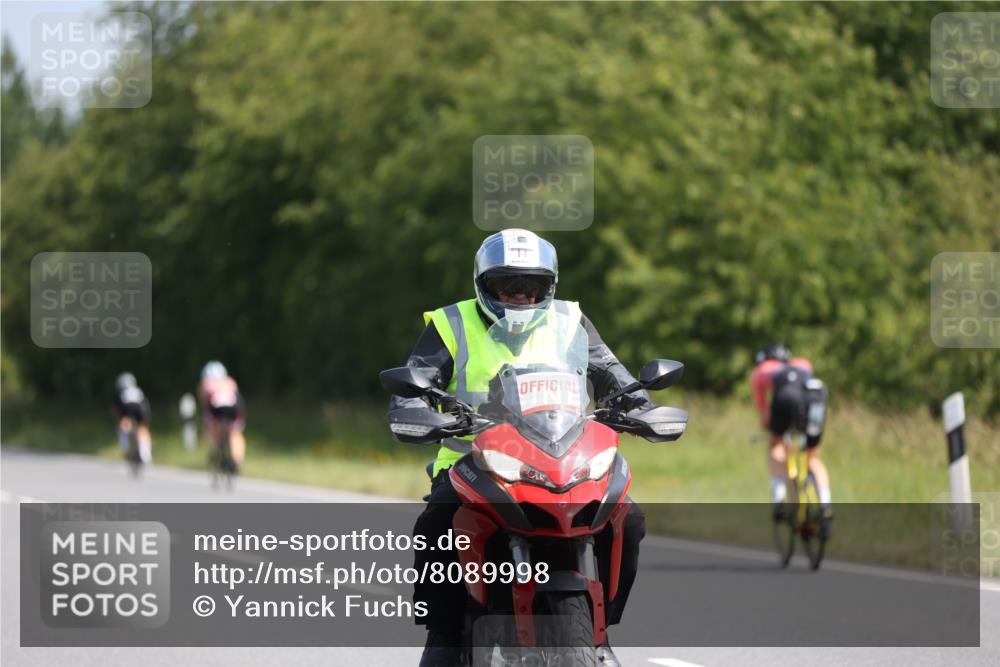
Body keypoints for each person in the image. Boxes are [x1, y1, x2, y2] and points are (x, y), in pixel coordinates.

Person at [388, 228, 653, 667]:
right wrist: (414, 410)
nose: (519, 296)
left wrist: (639, 405)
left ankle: (599, 631)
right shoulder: (451, 323)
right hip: (474, 462)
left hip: (565, 458)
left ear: (548, 287)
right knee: (436, 522)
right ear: (483, 285)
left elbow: (616, 378)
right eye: (506, 286)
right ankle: (444, 636)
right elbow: (414, 383)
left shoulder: (571, 322)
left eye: (530, 287)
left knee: (632, 518)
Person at [750, 344, 831, 526]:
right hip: (816, 397)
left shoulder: (760, 372)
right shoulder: (803, 364)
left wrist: (773, 433)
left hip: (785, 398)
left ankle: (779, 500)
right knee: (812, 455)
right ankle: (826, 504)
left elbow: (765, 416)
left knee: (776, 444)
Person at [197, 361, 246, 471]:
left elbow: (205, 405)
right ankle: (236, 460)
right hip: (235, 408)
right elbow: (238, 398)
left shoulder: (205, 383)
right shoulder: (230, 381)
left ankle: (216, 451)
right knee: (235, 433)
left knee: (212, 430)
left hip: (217, 409)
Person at [112, 372, 152, 464]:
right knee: (143, 428)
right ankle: (146, 453)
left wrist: (119, 418)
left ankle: (125, 447)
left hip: (126, 408)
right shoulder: (138, 391)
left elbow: (115, 408)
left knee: (124, 424)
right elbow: (146, 404)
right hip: (141, 409)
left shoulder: (120, 393)